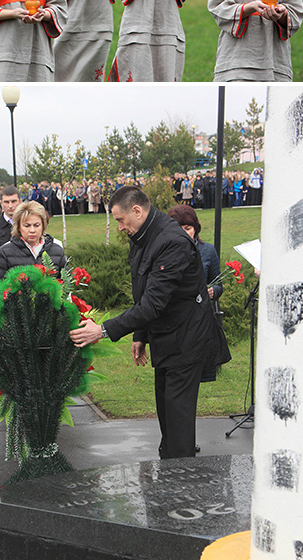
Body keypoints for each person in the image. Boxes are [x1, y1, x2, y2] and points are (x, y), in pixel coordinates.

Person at [69, 185, 215, 460]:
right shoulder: (144, 237)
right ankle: (171, 476)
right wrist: (140, 335)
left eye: (121, 220)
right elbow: (145, 294)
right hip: (166, 337)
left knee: (178, 422)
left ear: (137, 211)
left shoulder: (170, 241)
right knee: (168, 417)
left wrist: (102, 330)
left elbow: (153, 303)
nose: (120, 228)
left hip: (185, 340)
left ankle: (182, 487)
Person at [0, 200, 66, 288]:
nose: (32, 230)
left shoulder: (57, 250)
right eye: (27, 226)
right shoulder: (4, 252)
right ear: (18, 227)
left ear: (43, 226)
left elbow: (65, 284)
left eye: (37, 225)